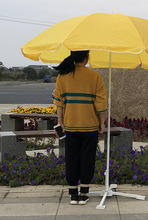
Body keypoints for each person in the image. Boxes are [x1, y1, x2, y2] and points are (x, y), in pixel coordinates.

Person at [53, 50, 107, 205]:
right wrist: (102, 123)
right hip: (90, 126)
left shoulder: (62, 76)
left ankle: (72, 194)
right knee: (87, 159)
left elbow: (58, 102)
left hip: (69, 126)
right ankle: (83, 194)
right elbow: (101, 104)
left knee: (71, 159)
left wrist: (60, 121)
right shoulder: (94, 76)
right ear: (87, 57)